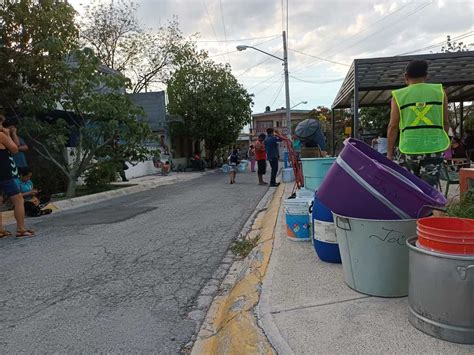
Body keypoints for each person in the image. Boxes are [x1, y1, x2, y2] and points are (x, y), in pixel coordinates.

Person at [387, 60, 450, 187]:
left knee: (410, 188)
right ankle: (428, 207)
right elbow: (445, 122)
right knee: (428, 190)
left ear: (405, 77)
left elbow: (393, 126)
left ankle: (409, 207)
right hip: (434, 147)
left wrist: (389, 155)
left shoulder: (398, 96)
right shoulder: (439, 92)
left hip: (409, 148)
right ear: (426, 76)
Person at [0, 122, 35, 238]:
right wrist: (8, 134)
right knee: (18, 199)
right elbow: (15, 149)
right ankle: (21, 229)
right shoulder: (1, 135)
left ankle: (0, 230)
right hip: (4, 173)